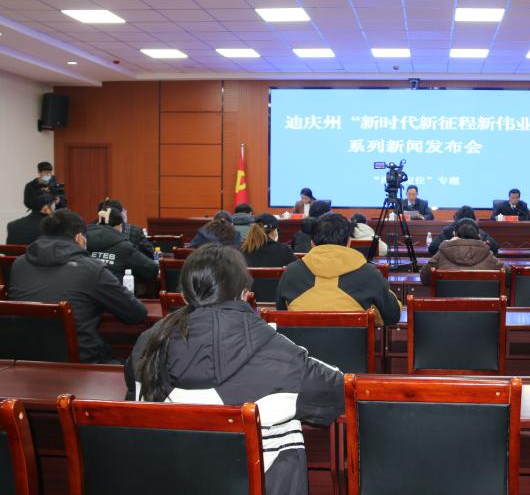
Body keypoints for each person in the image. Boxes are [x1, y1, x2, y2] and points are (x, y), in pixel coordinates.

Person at [124, 244, 343, 494]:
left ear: (184, 295)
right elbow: (338, 390)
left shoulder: (147, 344)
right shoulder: (280, 353)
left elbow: (133, 396)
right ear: (244, 293)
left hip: (168, 476)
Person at [9, 209, 147, 364]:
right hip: (83, 363)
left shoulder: (18, 264)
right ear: (79, 238)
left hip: (23, 360)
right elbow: (136, 313)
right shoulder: (91, 268)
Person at [275, 213, 401, 325]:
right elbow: (392, 315)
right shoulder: (369, 273)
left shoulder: (291, 272)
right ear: (349, 242)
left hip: (299, 344)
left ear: (312, 243)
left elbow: (281, 312)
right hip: (353, 345)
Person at [420, 219, 506, 285]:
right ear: (479, 236)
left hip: (448, 302)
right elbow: (509, 277)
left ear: (454, 234)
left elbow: (425, 278)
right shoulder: (488, 255)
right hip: (484, 303)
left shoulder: (442, 253)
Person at [86, 207, 159, 282]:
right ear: (120, 226)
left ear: (98, 223)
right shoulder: (124, 247)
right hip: (113, 288)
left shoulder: (83, 241)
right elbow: (152, 269)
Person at [428, 205, 499, 256]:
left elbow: (432, 249)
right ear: (474, 218)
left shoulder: (447, 231)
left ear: (456, 218)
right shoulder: (480, 233)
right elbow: (495, 249)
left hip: (450, 269)